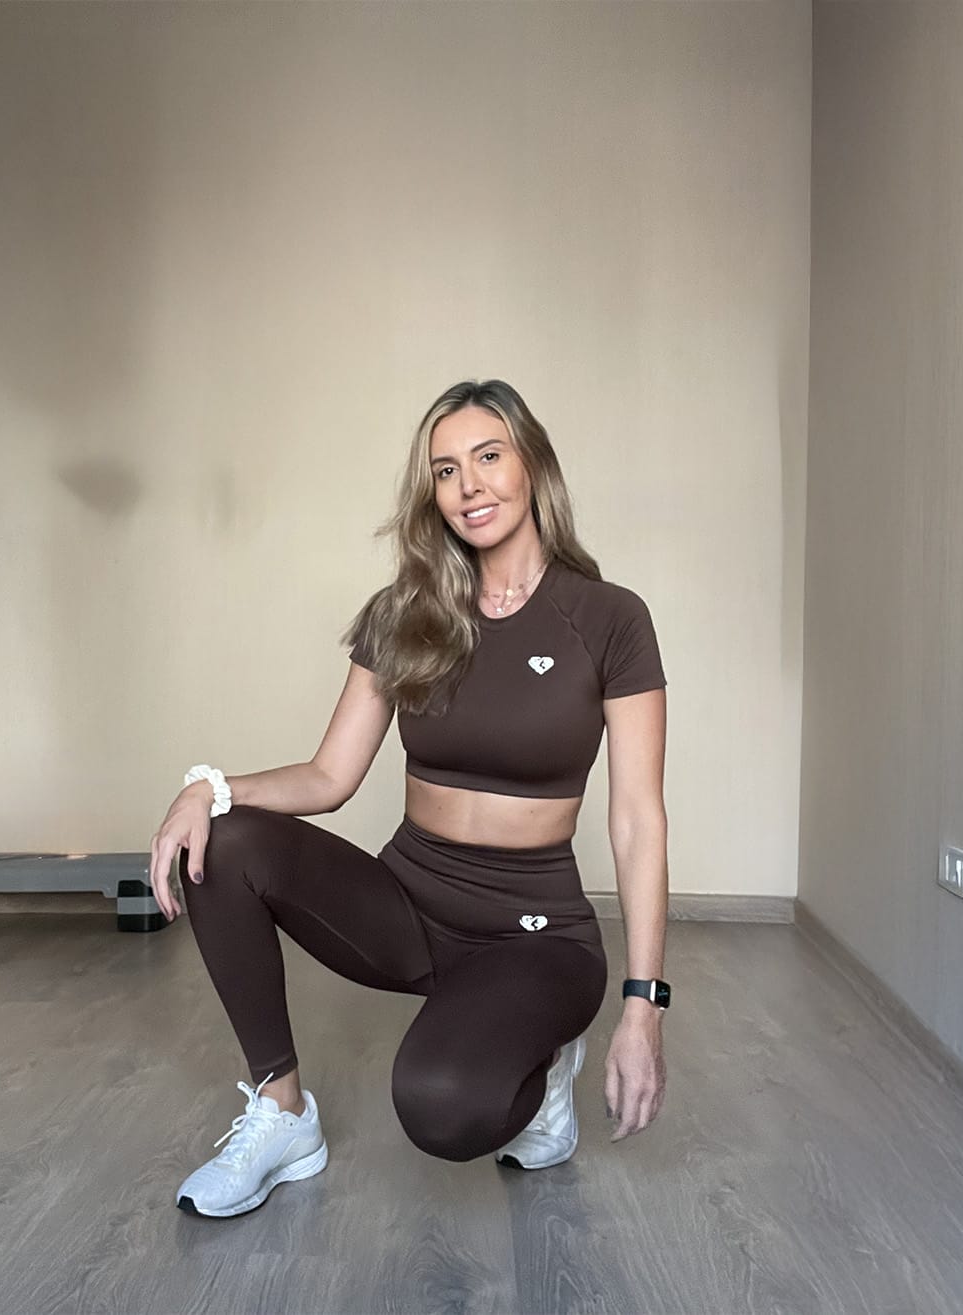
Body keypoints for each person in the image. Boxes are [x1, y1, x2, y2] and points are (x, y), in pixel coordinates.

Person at [149, 378, 670, 1219]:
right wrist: (207, 788)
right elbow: (328, 776)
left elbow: (639, 821)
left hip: (533, 935)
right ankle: (282, 1111)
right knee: (225, 837)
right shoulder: (408, 613)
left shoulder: (608, 618)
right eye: (446, 469)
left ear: (532, 463)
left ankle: (544, 1076)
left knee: (441, 1103)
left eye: (489, 457)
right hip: (409, 905)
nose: (469, 486)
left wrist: (644, 1008)